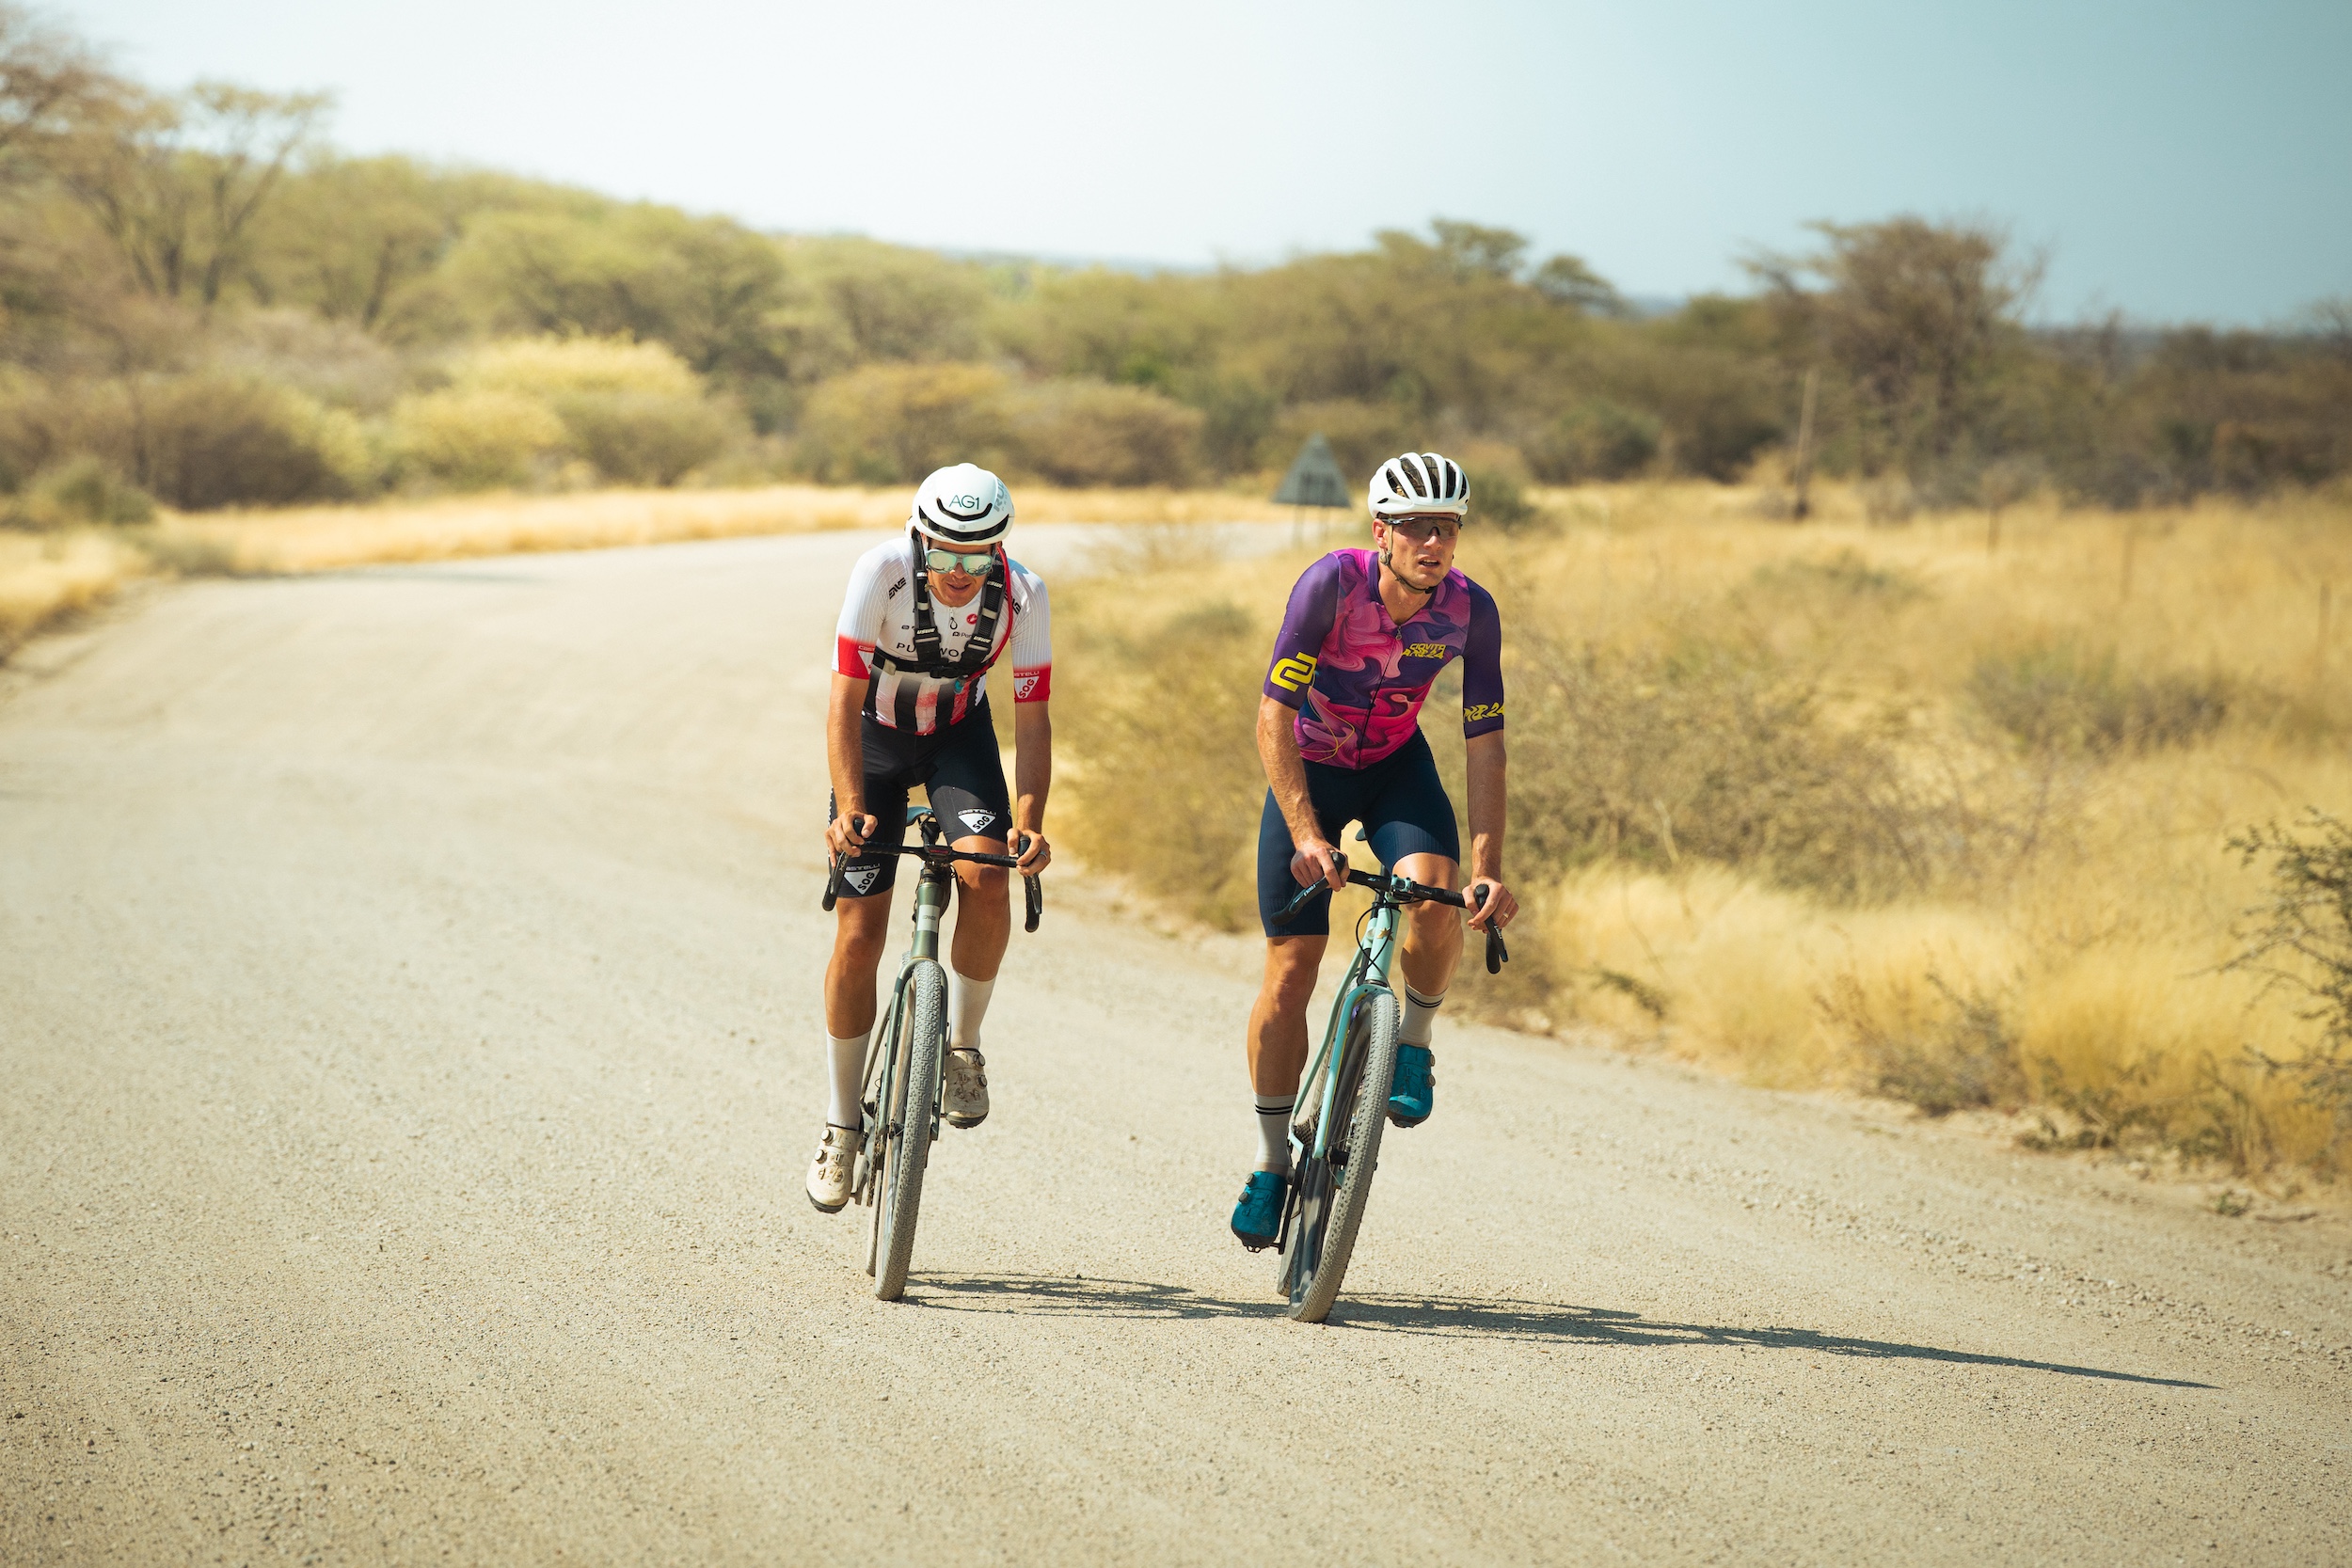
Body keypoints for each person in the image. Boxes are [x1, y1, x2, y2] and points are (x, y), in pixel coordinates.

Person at [1230, 451, 1518, 1249]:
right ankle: (1268, 1163)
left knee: (1437, 893)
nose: (1434, 541)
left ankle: (1414, 1045)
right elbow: (1272, 714)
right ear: (1381, 530)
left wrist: (1490, 867)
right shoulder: (1333, 584)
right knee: (1290, 973)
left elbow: (1485, 741)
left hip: (1395, 766)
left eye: (1449, 528)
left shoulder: (1470, 611)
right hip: (1312, 771)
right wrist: (1304, 832)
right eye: (1418, 526)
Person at [805, 463, 1053, 1213]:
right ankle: (842, 1124)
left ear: (997, 552)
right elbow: (843, 700)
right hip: (875, 741)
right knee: (859, 931)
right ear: (920, 540)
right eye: (944, 555)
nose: (957, 573)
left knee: (987, 877)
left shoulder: (1025, 594)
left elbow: (1034, 719)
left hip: (957, 742)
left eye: (976, 559)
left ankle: (962, 1048)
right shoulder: (878, 571)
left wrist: (1032, 821)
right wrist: (849, 807)